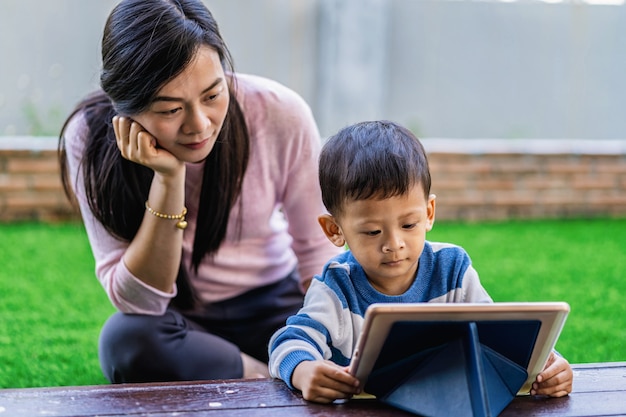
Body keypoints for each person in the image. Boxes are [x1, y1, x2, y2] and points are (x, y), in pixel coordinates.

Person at [58, 0, 342, 383]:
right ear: (125, 105)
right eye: (170, 109)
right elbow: (142, 301)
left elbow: (316, 251)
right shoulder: (89, 137)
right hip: (181, 323)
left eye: (212, 95)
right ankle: (269, 378)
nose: (199, 124)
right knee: (125, 341)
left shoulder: (279, 112)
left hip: (275, 307)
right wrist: (168, 179)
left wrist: (329, 332)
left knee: (354, 330)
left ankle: (280, 363)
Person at [268, 120, 574, 403]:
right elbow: (289, 341)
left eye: (409, 225)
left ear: (428, 213)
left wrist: (549, 365)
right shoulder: (337, 286)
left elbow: (496, 341)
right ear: (335, 230)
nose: (393, 244)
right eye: (373, 231)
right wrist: (303, 370)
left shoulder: (452, 268)